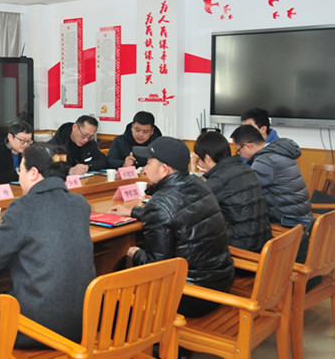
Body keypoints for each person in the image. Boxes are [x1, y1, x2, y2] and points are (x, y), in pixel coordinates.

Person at [0, 143, 95, 347]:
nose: (19, 176)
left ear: (33, 173)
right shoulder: (80, 204)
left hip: (38, 328)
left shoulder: (24, 206)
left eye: (20, 170)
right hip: (81, 323)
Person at [109, 136, 234, 318]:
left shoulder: (161, 205)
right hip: (219, 283)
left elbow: (156, 267)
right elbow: (178, 214)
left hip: (190, 296)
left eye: (149, 163)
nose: (145, 168)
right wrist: (134, 212)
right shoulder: (199, 184)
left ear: (164, 169)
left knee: (114, 284)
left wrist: (134, 253)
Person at [194, 131, 272, 252]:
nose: (201, 164)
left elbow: (193, 208)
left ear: (208, 157)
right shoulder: (245, 168)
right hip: (261, 239)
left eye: (200, 160)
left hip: (243, 247)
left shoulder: (219, 180)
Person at [230, 124, 310, 224]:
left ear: (248, 146)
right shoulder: (277, 152)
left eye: (238, 151)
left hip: (288, 221)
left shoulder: (264, 161)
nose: (240, 155)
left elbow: (246, 191)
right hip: (300, 216)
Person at [0, 120, 33, 184]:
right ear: (10, 137)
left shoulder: (31, 152)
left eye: (28, 141)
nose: (25, 144)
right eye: (22, 141)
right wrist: (17, 173)